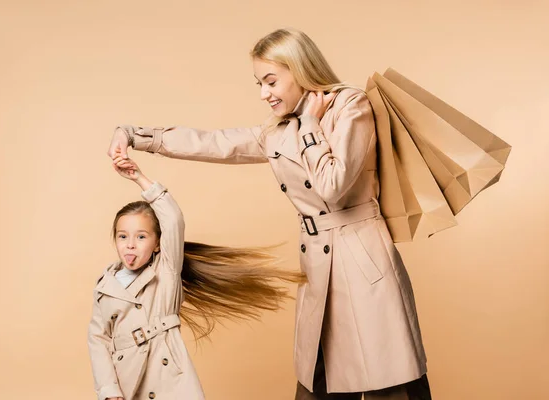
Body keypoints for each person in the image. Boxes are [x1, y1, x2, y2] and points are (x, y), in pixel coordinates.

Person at [107, 28, 432, 399]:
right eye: (259, 83)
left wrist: (311, 125)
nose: (264, 93)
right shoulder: (279, 128)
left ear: (300, 69)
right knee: (320, 379)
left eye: (271, 81)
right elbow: (217, 143)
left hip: (363, 264)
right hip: (317, 267)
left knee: (387, 382)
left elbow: (332, 185)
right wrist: (133, 135)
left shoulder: (351, 107)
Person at [88, 149, 305, 400]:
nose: (130, 244)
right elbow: (98, 341)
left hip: (170, 380)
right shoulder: (105, 287)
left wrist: (139, 178)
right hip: (126, 381)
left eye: (141, 237)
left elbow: (173, 219)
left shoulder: (166, 270)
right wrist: (108, 389)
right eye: (123, 236)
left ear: (158, 244)